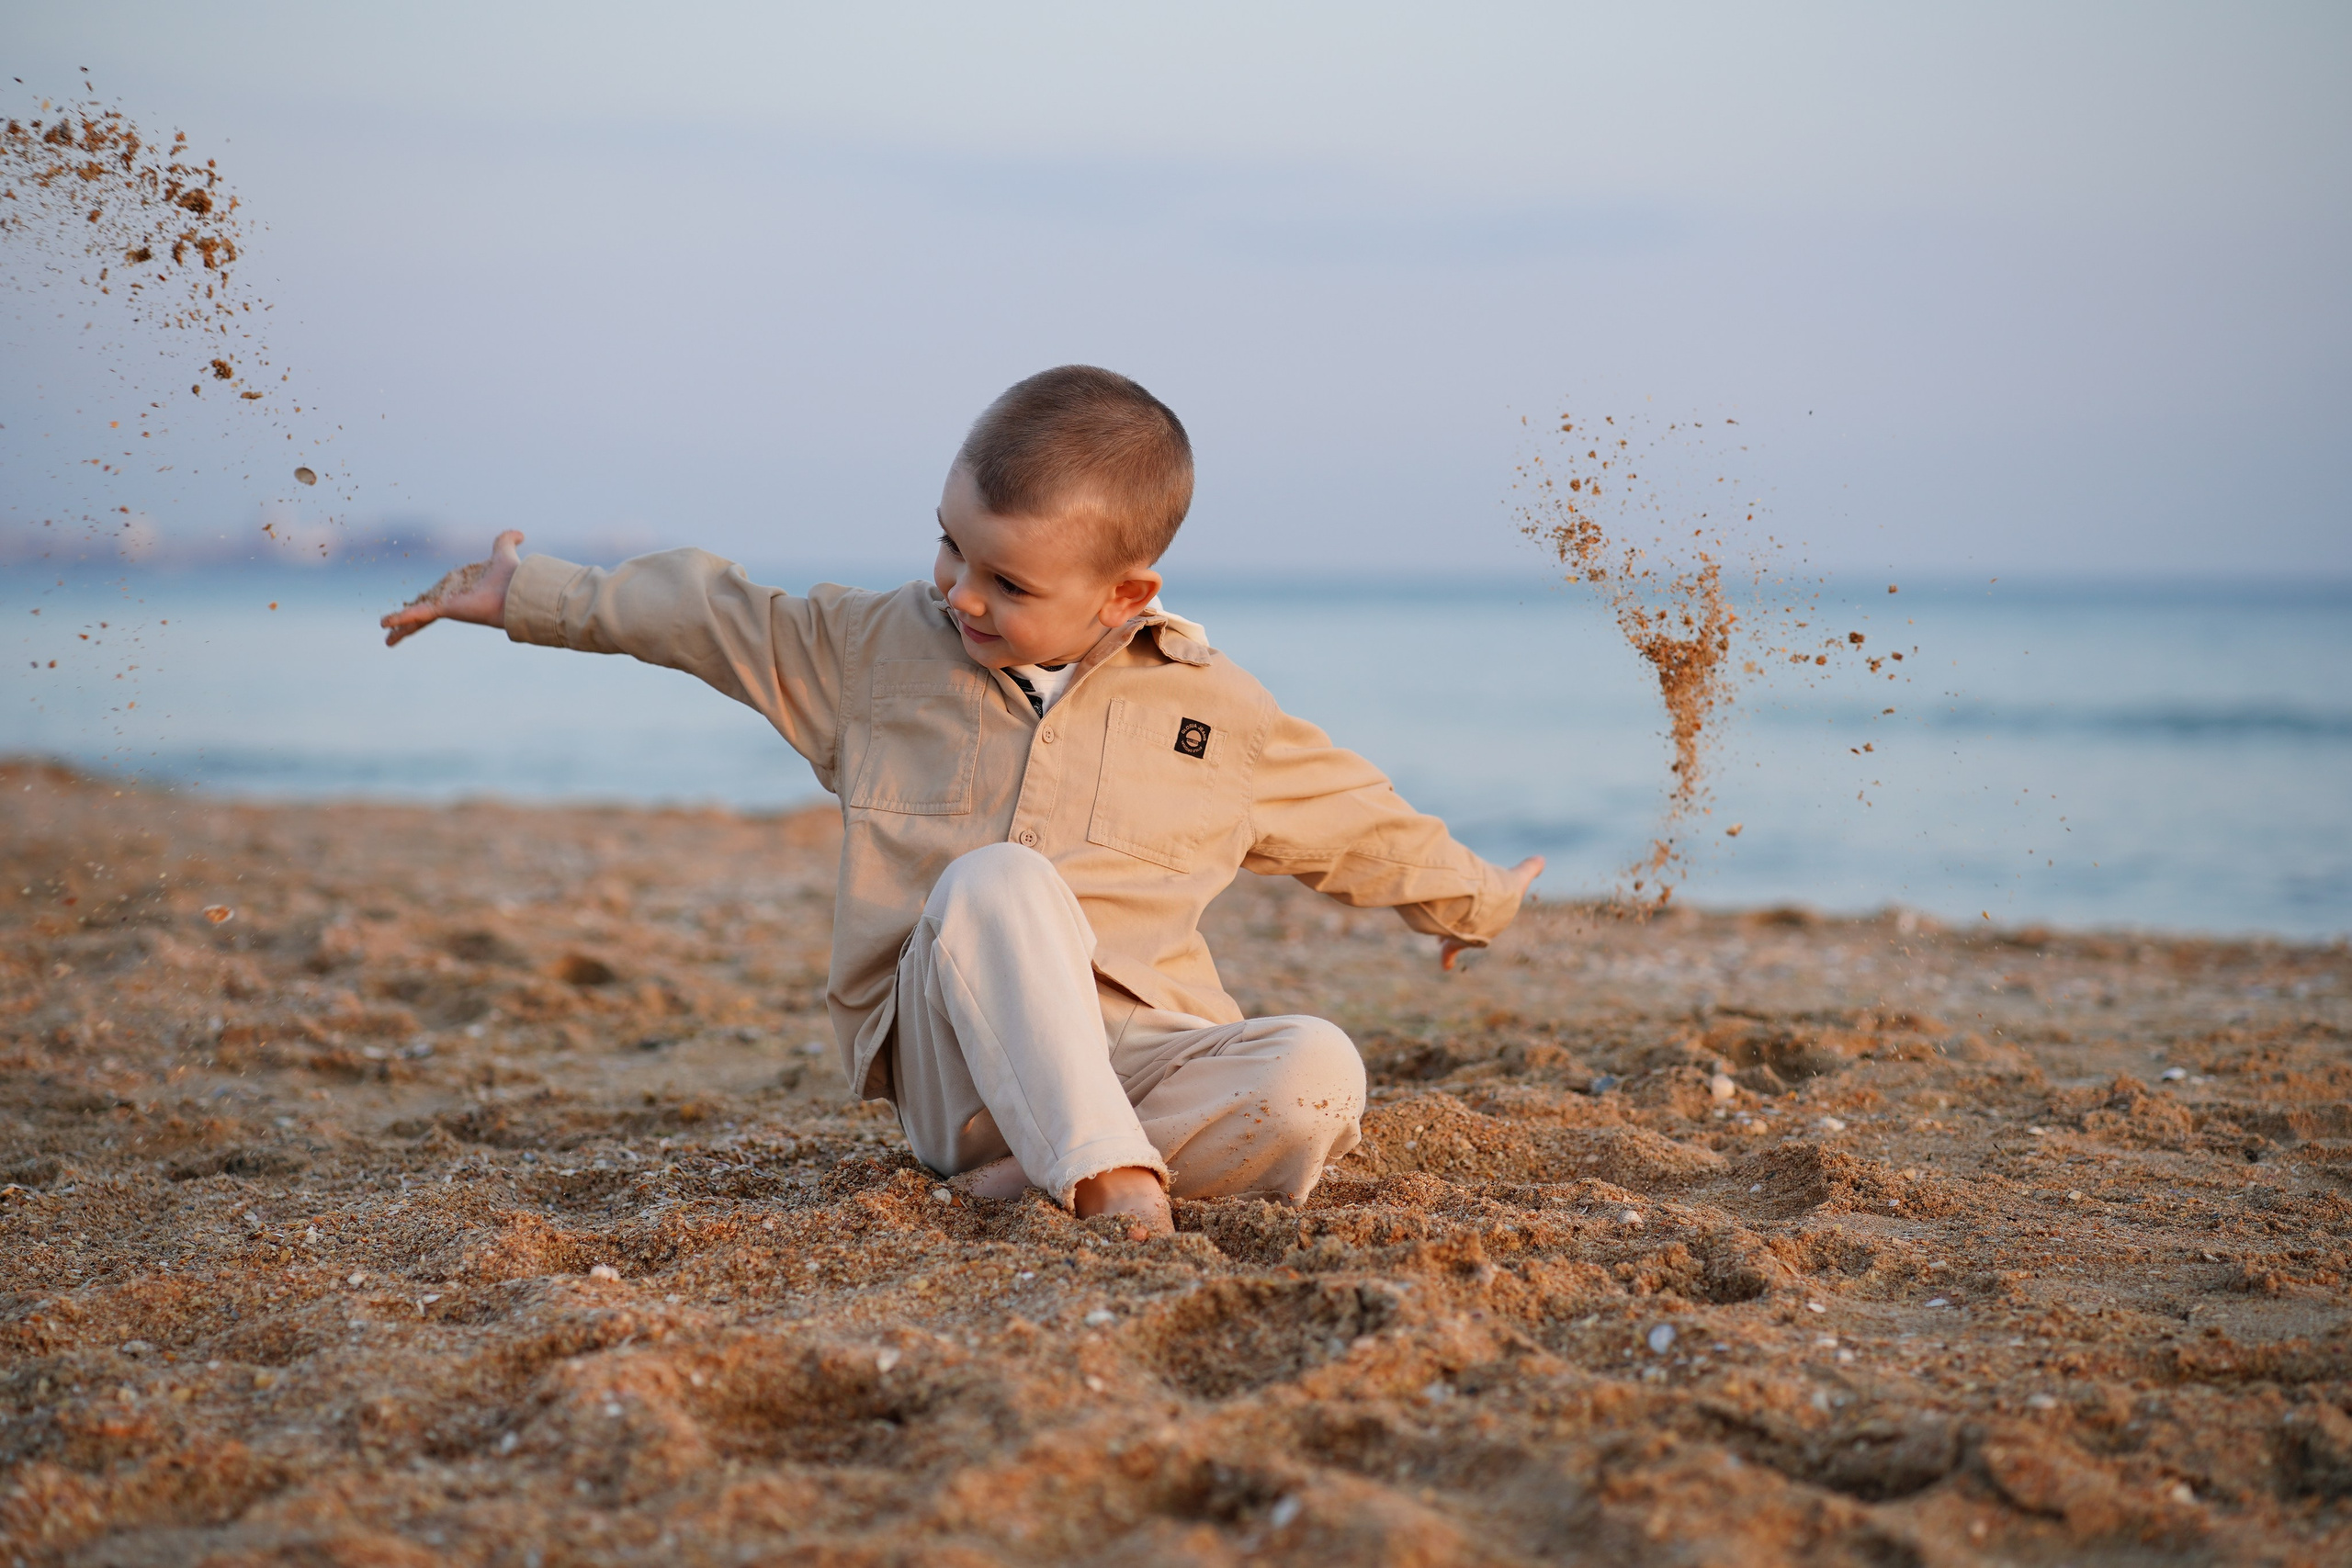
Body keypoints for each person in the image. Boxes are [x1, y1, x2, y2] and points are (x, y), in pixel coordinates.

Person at [381, 366, 1542, 1237]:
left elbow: (1354, 817)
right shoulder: (873, 650)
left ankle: (1041, 1179)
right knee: (997, 880)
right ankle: (1106, 1180)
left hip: (1146, 1055)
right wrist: (527, 591)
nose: (963, 595)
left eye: (1009, 582)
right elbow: (711, 616)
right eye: (951, 550)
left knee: (1318, 1068)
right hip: (955, 1062)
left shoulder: (1215, 711)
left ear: (1121, 593)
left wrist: (1471, 904)